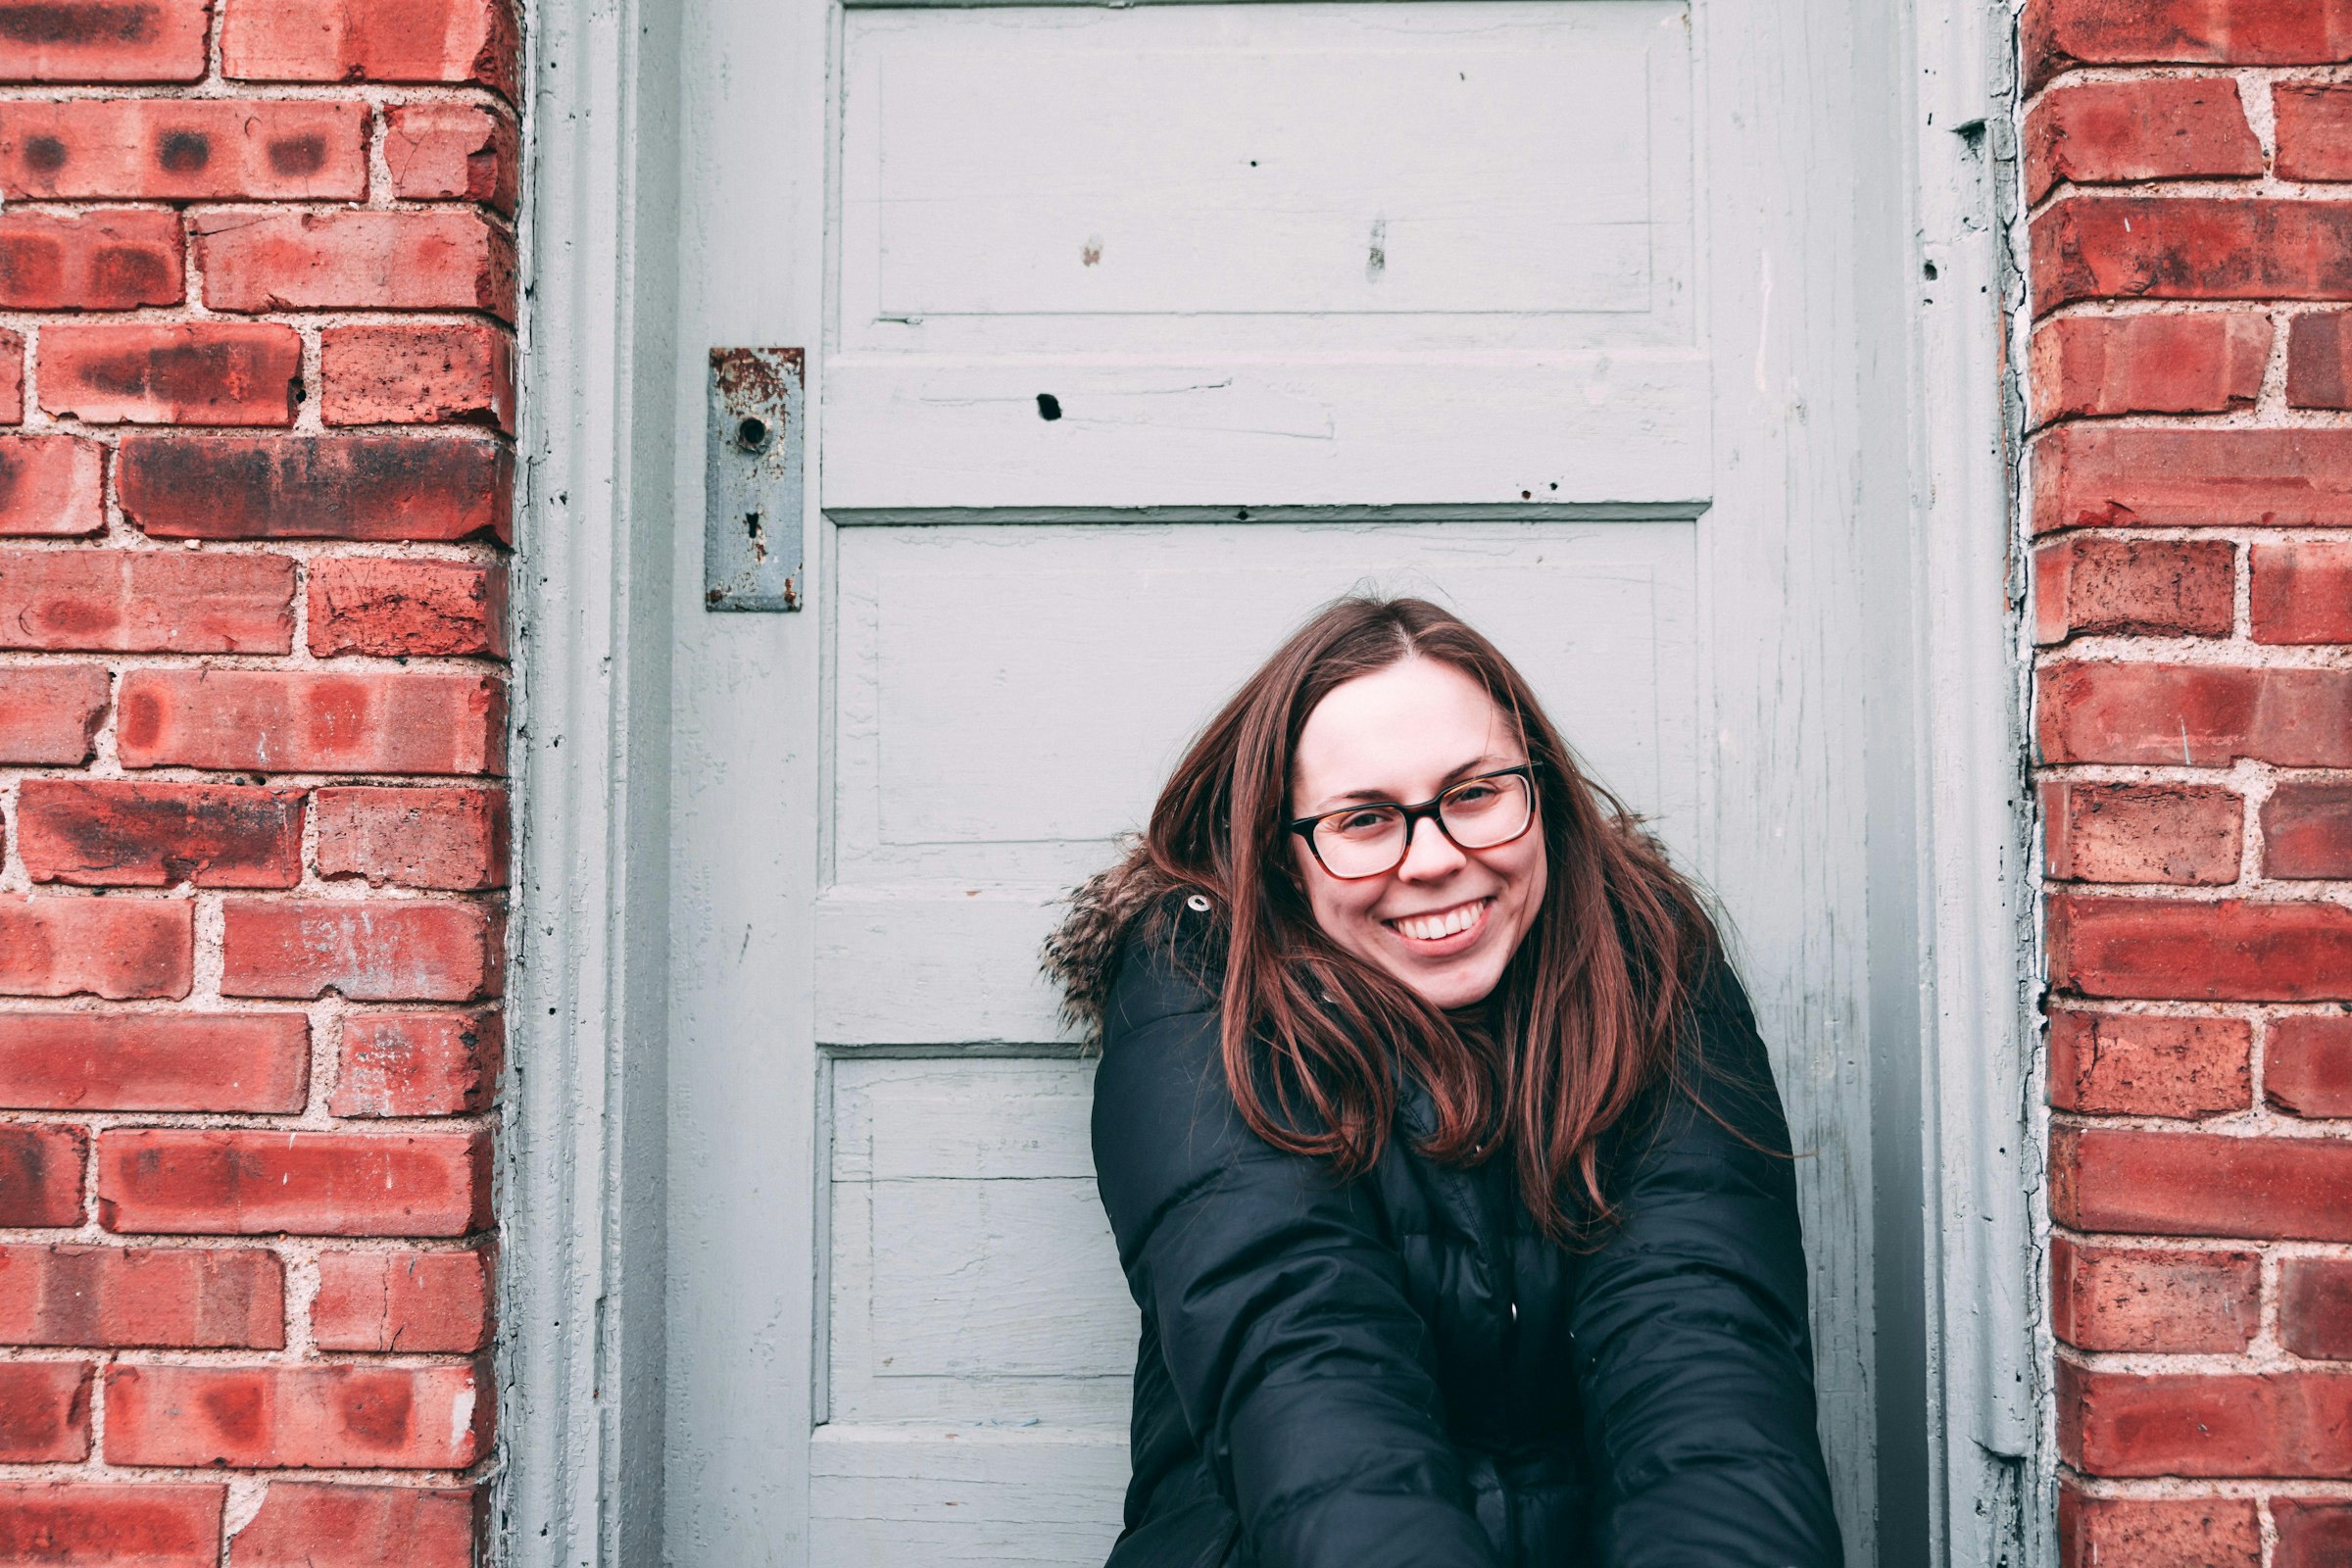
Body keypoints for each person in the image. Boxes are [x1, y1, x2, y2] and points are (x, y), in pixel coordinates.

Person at [1041, 596, 1842, 1568]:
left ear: (1537, 789)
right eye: (1364, 819)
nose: (1433, 861)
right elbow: (1304, 1365)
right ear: (1284, 854)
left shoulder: (1648, 968)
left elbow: (1705, 1361)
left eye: (1473, 795)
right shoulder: (1199, 988)